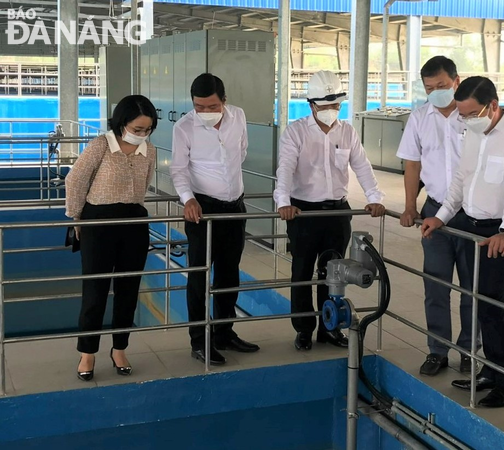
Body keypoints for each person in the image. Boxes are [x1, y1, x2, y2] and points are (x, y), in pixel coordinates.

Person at [421, 76, 504, 408]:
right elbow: (461, 178)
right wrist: (441, 216)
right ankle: (491, 370)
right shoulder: (473, 132)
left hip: (499, 232)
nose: (467, 120)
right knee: (478, 301)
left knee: (492, 306)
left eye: (472, 113)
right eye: (463, 115)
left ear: (493, 105)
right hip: (470, 226)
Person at [274, 70, 385, 351]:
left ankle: (329, 327)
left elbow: (361, 165)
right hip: (303, 213)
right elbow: (285, 167)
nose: (330, 111)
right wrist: (283, 202)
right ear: (311, 104)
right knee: (301, 272)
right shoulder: (296, 132)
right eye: (324, 107)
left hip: (337, 212)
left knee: (332, 272)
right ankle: (303, 329)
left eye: (335, 106)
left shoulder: (347, 131)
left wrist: (374, 197)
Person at [397, 55, 480, 376]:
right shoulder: (419, 118)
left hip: (473, 214)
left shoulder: (473, 117)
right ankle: (437, 349)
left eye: (442, 86)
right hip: (434, 211)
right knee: (435, 284)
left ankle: (470, 350)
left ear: (457, 82)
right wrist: (409, 206)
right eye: (429, 88)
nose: (436, 93)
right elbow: (412, 165)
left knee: (472, 288)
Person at [65, 94, 158, 381]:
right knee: (95, 291)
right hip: (98, 223)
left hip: (133, 223)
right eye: (138, 129)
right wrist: (77, 218)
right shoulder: (100, 146)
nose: (142, 134)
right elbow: (75, 180)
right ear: (121, 123)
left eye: (147, 130)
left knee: (129, 290)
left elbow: (145, 183)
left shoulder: (149, 151)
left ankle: (119, 348)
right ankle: (87, 352)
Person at [170, 73, 259, 366]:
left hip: (235, 207)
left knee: (229, 272)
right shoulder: (184, 127)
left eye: (211, 106)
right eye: (199, 107)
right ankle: (199, 340)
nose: (205, 113)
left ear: (224, 101)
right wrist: (189, 199)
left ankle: (223, 332)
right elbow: (178, 170)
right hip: (202, 209)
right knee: (198, 275)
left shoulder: (239, 117)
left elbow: (241, 152)